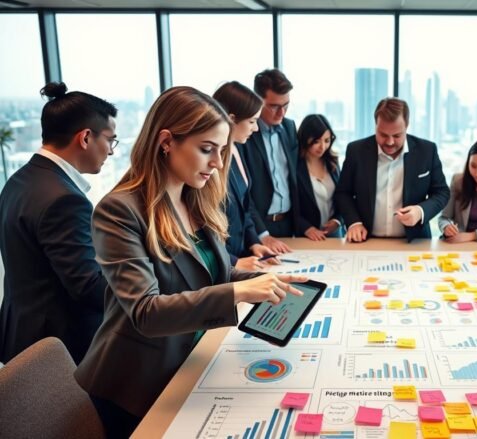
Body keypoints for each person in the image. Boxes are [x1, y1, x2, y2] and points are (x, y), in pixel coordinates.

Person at [74, 86, 305, 437]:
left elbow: (204, 272)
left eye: (222, 151)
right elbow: (146, 311)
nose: (217, 163)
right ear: (166, 141)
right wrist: (238, 292)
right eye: (207, 149)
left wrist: (253, 280)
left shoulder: (194, 197)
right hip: (136, 383)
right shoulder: (119, 210)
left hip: (187, 360)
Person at [0, 82, 116, 365]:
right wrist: (146, 289)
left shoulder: (19, 180)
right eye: (110, 140)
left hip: (21, 332)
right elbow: (87, 287)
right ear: (86, 137)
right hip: (59, 347)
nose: (112, 151)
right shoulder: (64, 199)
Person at [335, 98, 450, 242]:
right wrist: (354, 222)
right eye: (383, 135)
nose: (389, 142)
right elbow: (343, 193)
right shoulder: (356, 151)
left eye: (396, 136)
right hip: (367, 240)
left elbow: (442, 192)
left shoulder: (426, 151)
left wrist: (420, 211)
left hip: (414, 242)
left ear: (406, 126)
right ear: (375, 125)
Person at [212, 81, 278, 270]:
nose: (256, 128)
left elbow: (244, 206)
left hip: (241, 256)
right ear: (231, 119)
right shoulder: (211, 162)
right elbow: (205, 227)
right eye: (251, 121)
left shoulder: (237, 149)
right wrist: (233, 262)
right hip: (223, 263)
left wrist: (254, 243)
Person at [240, 69, 299, 253]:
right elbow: (244, 192)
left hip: (289, 223)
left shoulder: (289, 127)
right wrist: (262, 234)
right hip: (259, 227)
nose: (281, 113)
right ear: (258, 101)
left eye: (286, 105)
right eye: (274, 106)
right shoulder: (245, 134)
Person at [296, 114, 344, 240]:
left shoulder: (333, 163)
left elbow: (344, 196)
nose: (322, 147)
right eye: (316, 141)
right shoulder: (295, 166)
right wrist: (306, 228)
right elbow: (292, 205)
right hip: (308, 235)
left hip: (334, 233)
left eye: (327, 140)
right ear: (305, 138)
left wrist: (338, 221)